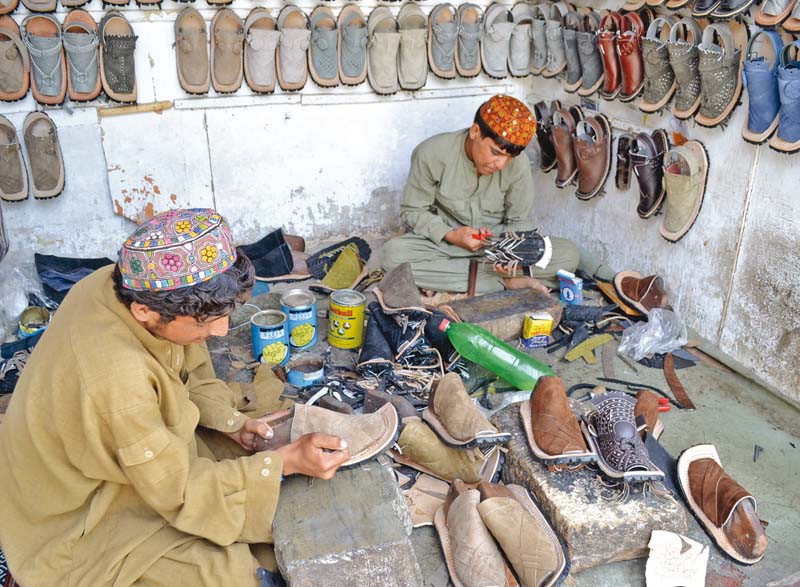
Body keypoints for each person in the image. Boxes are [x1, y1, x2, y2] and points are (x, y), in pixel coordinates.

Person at [0, 209, 350, 587]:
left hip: (122, 450)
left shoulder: (120, 282)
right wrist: (282, 464)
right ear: (145, 311)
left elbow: (190, 372)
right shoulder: (118, 383)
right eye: (204, 322)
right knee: (238, 574)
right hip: (78, 518)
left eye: (225, 313)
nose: (220, 331)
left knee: (260, 459)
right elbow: (178, 491)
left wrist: (231, 423)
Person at [380, 94, 585, 295]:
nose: (501, 164)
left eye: (509, 157)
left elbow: (518, 221)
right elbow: (413, 211)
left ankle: (465, 278)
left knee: (568, 255)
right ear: (475, 131)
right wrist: (452, 235)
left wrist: (507, 255)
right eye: (495, 152)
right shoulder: (431, 153)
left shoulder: (518, 165)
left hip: (496, 245)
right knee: (391, 255)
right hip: (445, 243)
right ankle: (504, 283)